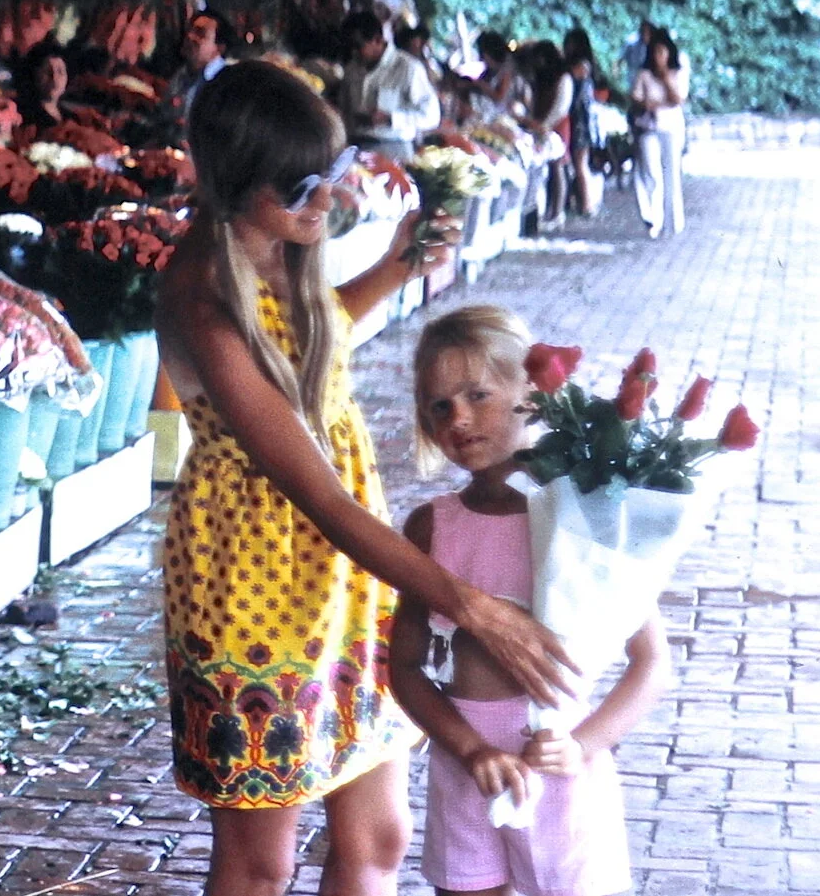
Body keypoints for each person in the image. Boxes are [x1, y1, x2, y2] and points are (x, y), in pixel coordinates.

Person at [155, 62, 573, 896]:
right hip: (251, 585)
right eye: (301, 189)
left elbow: (307, 335)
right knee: (259, 858)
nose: (324, 203)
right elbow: (319, 497)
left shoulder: (274, 248)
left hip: (345, 579)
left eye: (331, 179)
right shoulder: (202, 296)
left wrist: (395, 267)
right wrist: (473, 604)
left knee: (379, 835)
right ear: (238, 187)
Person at [394, 306, 668, 896]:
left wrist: (584, 747)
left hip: (562, 772)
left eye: (478, 395)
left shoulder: (582, 517)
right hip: (466, 770)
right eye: (440, 406)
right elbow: (405, 667)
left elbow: (651, 662)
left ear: (532, 394)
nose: (459, 418)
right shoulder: (431, 526)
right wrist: (468, 750)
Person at [341, 10, 441, 160]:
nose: (354, 52)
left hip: (393, 147)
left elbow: (432, 116)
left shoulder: (408, 68)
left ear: (377, 40)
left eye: (358, 45)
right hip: (355, 146)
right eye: (350, 46)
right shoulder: (352, 68)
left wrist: (391, 119)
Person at [631, 31, 689, 238]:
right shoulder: (644, 74)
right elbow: (636, 98)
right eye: (655, 52)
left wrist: (665, 78)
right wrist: (648, 104)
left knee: (671, 173)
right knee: (651, 172)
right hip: (650, 128)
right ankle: (654, 220)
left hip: (671, 128)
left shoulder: (678, 73)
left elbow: (678, 99)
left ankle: (673, 222)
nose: (658, 56)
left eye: (662, 52)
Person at [520, 42, 574, 229]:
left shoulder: (564, 78)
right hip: (540, 124)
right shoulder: (542, 77)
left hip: (556, 125)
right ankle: (545, 211)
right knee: (543, 167)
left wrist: (545, 125)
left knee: (557, 166)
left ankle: (557, 212)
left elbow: (561, 106)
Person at [561, 29, 603, 218]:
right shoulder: (587, 65)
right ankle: (583, 202)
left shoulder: (580, 66)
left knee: (580, 163)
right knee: (579, 163)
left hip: (580, 121)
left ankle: (586, 205)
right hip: (583, 120)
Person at [170, 11, 229, 123]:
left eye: (200, 33)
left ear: (218, 49)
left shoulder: (225, 83)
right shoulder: (182, 74)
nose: (190, 36)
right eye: (190, 30)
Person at [13, 38, 77, 137]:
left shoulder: (72, 118)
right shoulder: (21, 113)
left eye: (60, 71)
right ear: (34, 74)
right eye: (48, 71)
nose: (54, 78)